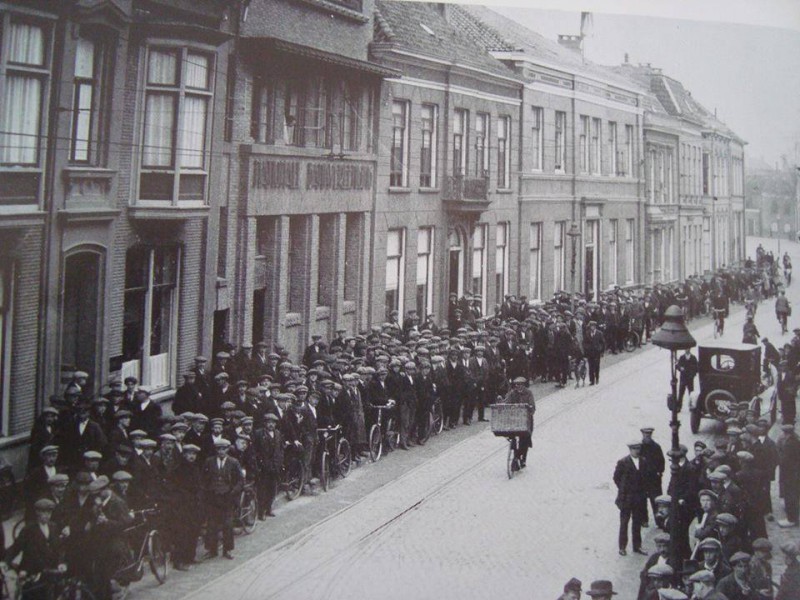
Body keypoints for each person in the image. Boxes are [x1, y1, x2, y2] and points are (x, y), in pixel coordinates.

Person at [202, 439, 243, 560]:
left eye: (223, 449)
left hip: (227, 498)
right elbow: (204, 479)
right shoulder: (209, 462)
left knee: (228, 524)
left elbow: (240, 480)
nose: (221, 451)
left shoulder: (233, 462)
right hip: (213, 497)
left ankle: (228, 550)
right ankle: (212, 550)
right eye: (219, 449)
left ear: (227, 449)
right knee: (212, 524)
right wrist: (206, 491)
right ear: (216, 450)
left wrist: (233, 492)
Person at [614, 440, 648, 556]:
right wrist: (624, 489)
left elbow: (645, 477)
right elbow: (616, 478)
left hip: (639, 498)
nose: (636, 451)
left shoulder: (643, 461)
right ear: (630, 450)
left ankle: (637, 546)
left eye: (638, 449)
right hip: (626, 498)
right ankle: (622, 547)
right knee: (624, 523)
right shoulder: (623, 462)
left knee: (637, 523)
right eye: (634, 449)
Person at [501, 377, 535, 468]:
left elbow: (533, 407)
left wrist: (529, 408)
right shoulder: (512, 394)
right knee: (511, 435)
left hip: (526, 420)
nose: (518, 387)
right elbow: (506, 403)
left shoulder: (528, 393)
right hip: (514, 420)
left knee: (525, 439)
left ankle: (523, 458)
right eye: (517, 385)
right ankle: (515, 453)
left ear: (524, 385)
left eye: (520, 385)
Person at [640, 427, 666, 523]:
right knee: (642, 501)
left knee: (656, 500)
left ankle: (659, 520)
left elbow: (661, 462)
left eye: (649, 434)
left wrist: (659, 473)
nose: (647, 436)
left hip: (654, 479)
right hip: (642, 479)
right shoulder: (639, 447)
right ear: (642, 435)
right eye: (645, 434)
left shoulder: (656, 447)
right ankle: (644, 520)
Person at [778, 424, 800, 526]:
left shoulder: (789, 444)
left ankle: (791, 519)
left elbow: (784, 460)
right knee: (794, 495)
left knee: (790, 496)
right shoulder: (796, 440)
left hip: (790, 474)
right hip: (794, 473)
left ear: (786, 433)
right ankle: (793, 517)